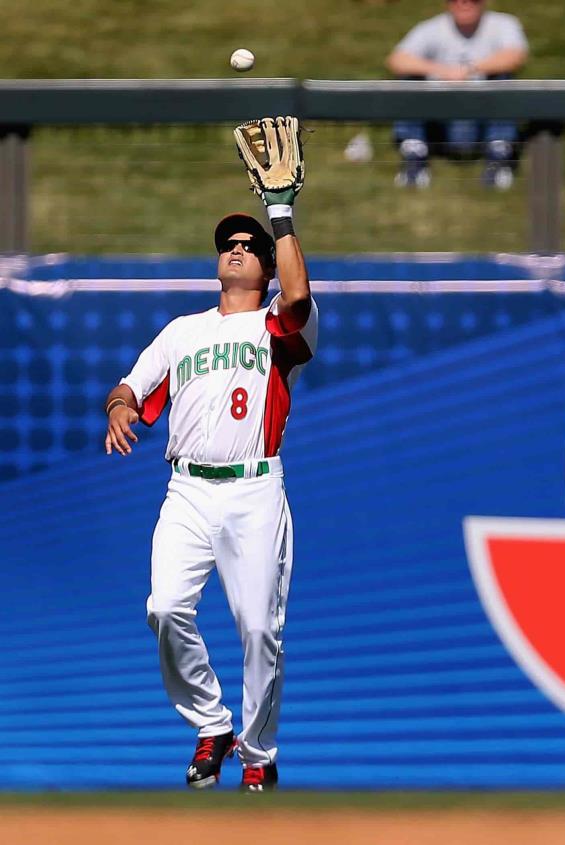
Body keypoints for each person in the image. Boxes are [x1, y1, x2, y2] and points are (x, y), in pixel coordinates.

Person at [102, 172, 318, 792]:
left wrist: (279, 215)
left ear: (269, 267)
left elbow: (300, 299)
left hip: (254, 489)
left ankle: (257, 753)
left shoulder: (281, 324)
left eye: (250, 245)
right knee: (165, 607)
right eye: (231, 242)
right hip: (188, 490)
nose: (238, 249)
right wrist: (119, 407)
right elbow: (130, 387)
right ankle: (212, 724)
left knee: (258, 628)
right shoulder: (181, 332)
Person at [387, 0, 529, 189]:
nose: (464, 4)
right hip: (439, 119)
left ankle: (498, 157)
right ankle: (414, 157)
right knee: (408, 79)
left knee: (503, 77)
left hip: (483, 117)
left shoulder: (503, 24)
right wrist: (441, 71)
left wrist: (469, 70)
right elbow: (397, 60)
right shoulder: (430, 28)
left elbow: (515, 56)